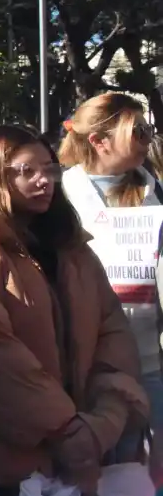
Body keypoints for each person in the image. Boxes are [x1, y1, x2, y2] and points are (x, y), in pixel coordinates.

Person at [0, 124, 149, 496]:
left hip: (82, 445)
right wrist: (64, 428)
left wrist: (103, 419)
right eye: (26, 171)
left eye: (49, 169)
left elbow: (111, 330)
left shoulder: (70, 244)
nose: (43, 180)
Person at [56, 93, 162, 457]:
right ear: (99, 140)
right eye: (138, 131)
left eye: (148, 130)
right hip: (86, 359)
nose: (148, 139)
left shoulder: (155, 190)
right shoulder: (60, 194)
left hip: (151, 357)